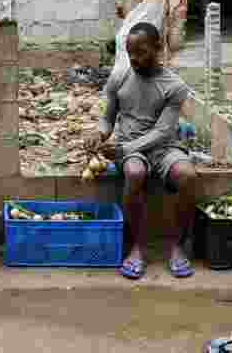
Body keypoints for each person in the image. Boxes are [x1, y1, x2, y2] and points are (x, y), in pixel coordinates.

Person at [86, 21, 197, 279]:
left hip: (163, 147)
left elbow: (162, 132)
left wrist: (123, 148)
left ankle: (177, 246)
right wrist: (99, 133)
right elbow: (108, 118)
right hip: (132, 149)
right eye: (129, 53)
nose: (134, 59)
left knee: (187, 175)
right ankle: (136, 246)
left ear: (158, 48)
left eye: (141, 52)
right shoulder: (120, 77)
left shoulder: (174, 86)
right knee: (134, 172)